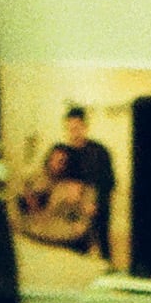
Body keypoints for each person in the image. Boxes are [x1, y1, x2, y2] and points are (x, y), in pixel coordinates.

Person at [52, 105, 118, 261]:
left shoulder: (100, 151)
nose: (73, 133)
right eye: (69, 129)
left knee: (103, 246)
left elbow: (109, 182)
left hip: (98, 207)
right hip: (73, 210)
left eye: (76, 128)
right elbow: (56, 180)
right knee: (76, 250)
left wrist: (96, 204)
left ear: (85, 127)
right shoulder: (64, 153)